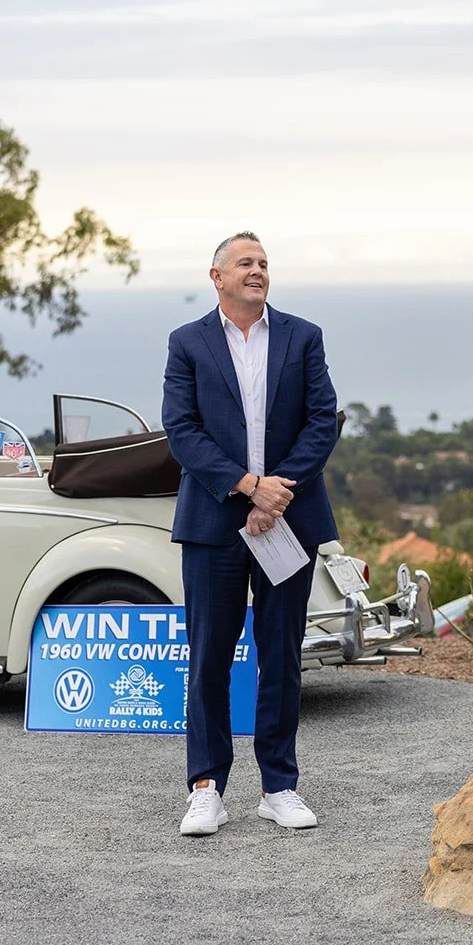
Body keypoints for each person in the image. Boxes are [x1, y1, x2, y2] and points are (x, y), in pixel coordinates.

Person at [161, 231, 340, 835]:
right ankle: (206, 787)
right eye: (245, 263)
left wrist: (276, 489)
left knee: (282, 655)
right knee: (209, 655)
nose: (257, 271)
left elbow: (323, 422)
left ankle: (279, 786)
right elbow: (181, 430)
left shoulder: (303, 336)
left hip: (289, 518)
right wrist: (245, 487)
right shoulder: (187, 343)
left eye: (263, 263)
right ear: (217, 277)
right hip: (214, 523)